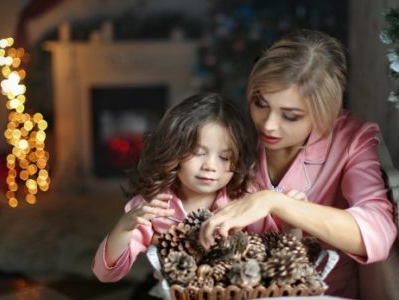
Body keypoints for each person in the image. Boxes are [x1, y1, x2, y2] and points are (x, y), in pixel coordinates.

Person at [199, 29, 398, 298]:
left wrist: (275, 202)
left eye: (290, 116)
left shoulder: (351, 140)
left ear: (324, 113)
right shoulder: (233, 134)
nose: (268, 124)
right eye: (260, 103)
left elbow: (377, 232)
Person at [92, 93, 277, 283]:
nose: (210, 166)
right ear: (174, 149)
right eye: (198, 153)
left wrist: (292, 225)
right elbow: (105, 274)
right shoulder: (153, 205)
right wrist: (124, 227)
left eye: (224, 157)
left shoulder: (247, 199)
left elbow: (279, 259)